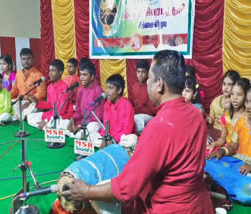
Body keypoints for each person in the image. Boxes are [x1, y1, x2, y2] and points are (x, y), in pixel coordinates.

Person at [61, 50, 213, 214]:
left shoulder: (158, 126)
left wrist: (87, 191)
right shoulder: (196, 115)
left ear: (159, 84)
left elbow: (127, 189)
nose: (146, 83)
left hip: (169, 208)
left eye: (149, 78)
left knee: (103, 195)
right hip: (200, 205)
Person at [27, 59, 74, 130]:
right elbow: (49, 104)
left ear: (60, 72)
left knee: (57, 121)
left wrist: (46, 120)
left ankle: (47, 126)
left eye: (53, 71)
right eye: (49, 71)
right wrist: (37, 102)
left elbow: (61, 111)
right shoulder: (50, 87)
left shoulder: (64, 88)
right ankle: (47, 127)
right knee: (30, 117)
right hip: (52, 114)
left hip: (63, 116)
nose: (50, 73)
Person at [207, 78, 250, 153]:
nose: (234, 98)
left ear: (246, 96)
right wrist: (214, 144)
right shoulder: (226, 116)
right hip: (227, 150)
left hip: (243, 153)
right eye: (232, 94)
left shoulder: (249, 117)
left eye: (239, 94)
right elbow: (222, 140)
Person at [66, 60, 104, 139]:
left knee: (88, 129)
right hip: (82, 122)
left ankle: (80, 134)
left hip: (94, 123)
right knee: (65, 125)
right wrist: (73, 118)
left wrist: (79, 126)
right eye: (81, 74)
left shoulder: (98, 91)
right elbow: (78, 111)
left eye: (85, 75)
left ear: (92, 76)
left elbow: (97, 117)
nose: (81, 77)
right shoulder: (81, 90)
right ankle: (79, 133)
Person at [99, 74, 135, 146]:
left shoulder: (127, 105)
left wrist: (114, 139)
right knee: (93, 136)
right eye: (107, 88)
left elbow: (127, 130)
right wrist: (104, 138)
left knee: (131, 140)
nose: (107, 91)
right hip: (109, 137)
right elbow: (105, 126)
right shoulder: (107, 104)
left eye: (111, 88)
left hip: (122, 137)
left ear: (119, 90)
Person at [10, 48, 46, 120]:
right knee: (8, 103)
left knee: (32, 107)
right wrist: (5, 96)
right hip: (20, 101)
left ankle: (18, 116)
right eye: (23, 59)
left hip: (33, 102)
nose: (26, 61)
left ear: (33, 59)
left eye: (28, 58)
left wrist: (28, 100)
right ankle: (18, 116)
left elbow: (41, 94)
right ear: (20, 60)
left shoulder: (38, 75)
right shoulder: (18, 74)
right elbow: (14, 90)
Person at [206, 70, 240, 138]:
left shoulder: (238, 102)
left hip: (231, 134)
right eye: (224, 84)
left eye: (229, 84)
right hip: (214, 132)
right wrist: (209, 120)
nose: (226, 87)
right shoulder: (216, 101)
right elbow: (212, 117)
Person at [128, 59, 155, 133]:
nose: (140, 74)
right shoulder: (134, 86)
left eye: (143, 72)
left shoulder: (151, 86)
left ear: (148, 73)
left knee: (138, 119)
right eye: (138, 72)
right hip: (136, 116)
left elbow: (152, 108)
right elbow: (131, 104)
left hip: (149, 117)